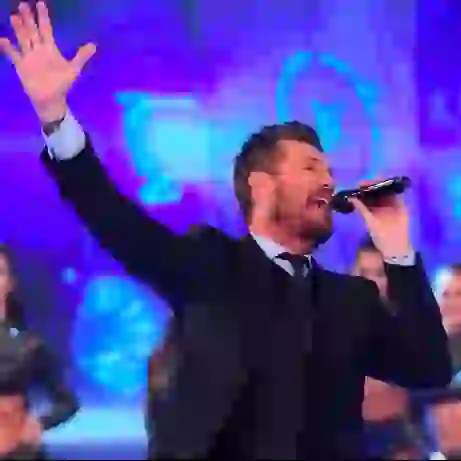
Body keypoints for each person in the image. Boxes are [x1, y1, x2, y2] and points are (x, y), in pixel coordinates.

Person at [0, 3, 452, 458]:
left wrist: (399, 251)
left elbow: (430, 366)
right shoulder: (208, 266)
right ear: (261, 186)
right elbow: (110, 215)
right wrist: (55, 116)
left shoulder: (349, 300)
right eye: (311, 167)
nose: (328, 182)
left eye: (330, 172)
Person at [353, 237, 442, 459]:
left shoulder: (417, 327)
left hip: (405, 440)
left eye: (379, 274)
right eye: (363, 273)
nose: (370, 282)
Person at [0, 245, 80, 460]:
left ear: (11, 283)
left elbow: (67, 402)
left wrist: (39, 424)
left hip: (17, 450)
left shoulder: (29, 345)